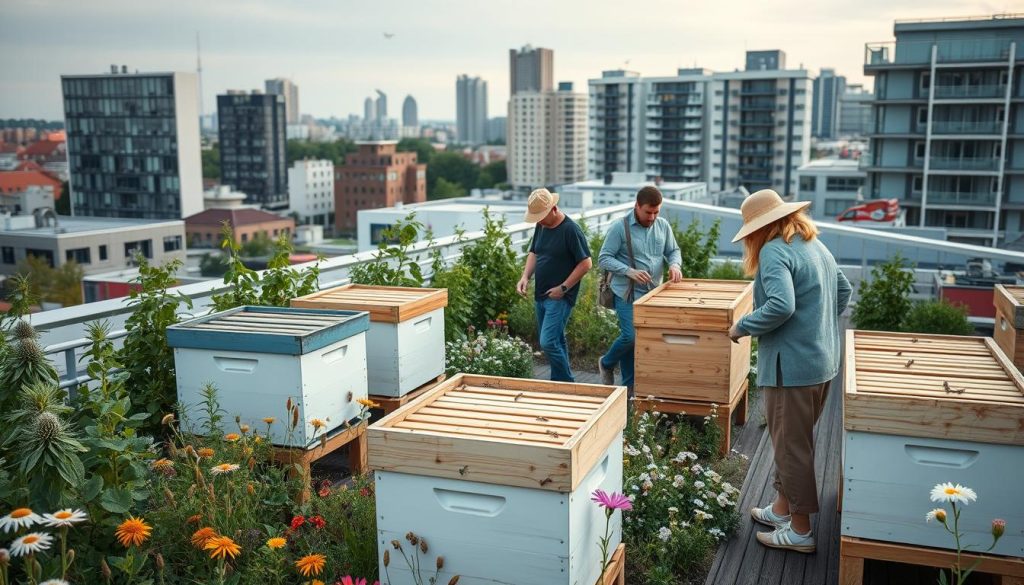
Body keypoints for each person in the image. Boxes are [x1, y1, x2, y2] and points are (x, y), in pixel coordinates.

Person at [727, 189, 851, 554]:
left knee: (792, 449)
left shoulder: (774, 250)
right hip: (822, 362)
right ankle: (783, 509)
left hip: (792, 369)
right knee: (793, 443)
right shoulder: (812, 244)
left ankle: (800, 530)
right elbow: (843, 290)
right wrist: (815, 327)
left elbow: (781, 305)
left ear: (757, 227)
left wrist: (742, 326)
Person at [597, 185, 683, 393]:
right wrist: (628, 271)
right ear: (637, 206)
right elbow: (603, 258)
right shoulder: (620, 227)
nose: (652, 217)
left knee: (636, 343)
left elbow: (673, 250)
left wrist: (674, 265)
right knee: (630, 337)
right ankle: (607, 363)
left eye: (656, 212)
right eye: (648, 212)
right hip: (626, 294)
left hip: (653, 294)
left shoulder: (662, 226)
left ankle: (628, 390)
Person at [516, 188, 592, 382]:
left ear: (554, 209)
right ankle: (561, 384)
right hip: (541, 295)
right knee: (556, 340)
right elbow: (534, 252)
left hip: (560, 297)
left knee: (548, 342)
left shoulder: (570, 230)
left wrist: (563, 288)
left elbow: (586, 263)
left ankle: (567, 381)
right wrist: (525, 277)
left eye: (541, 216)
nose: (539, 221)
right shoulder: (541, 226)